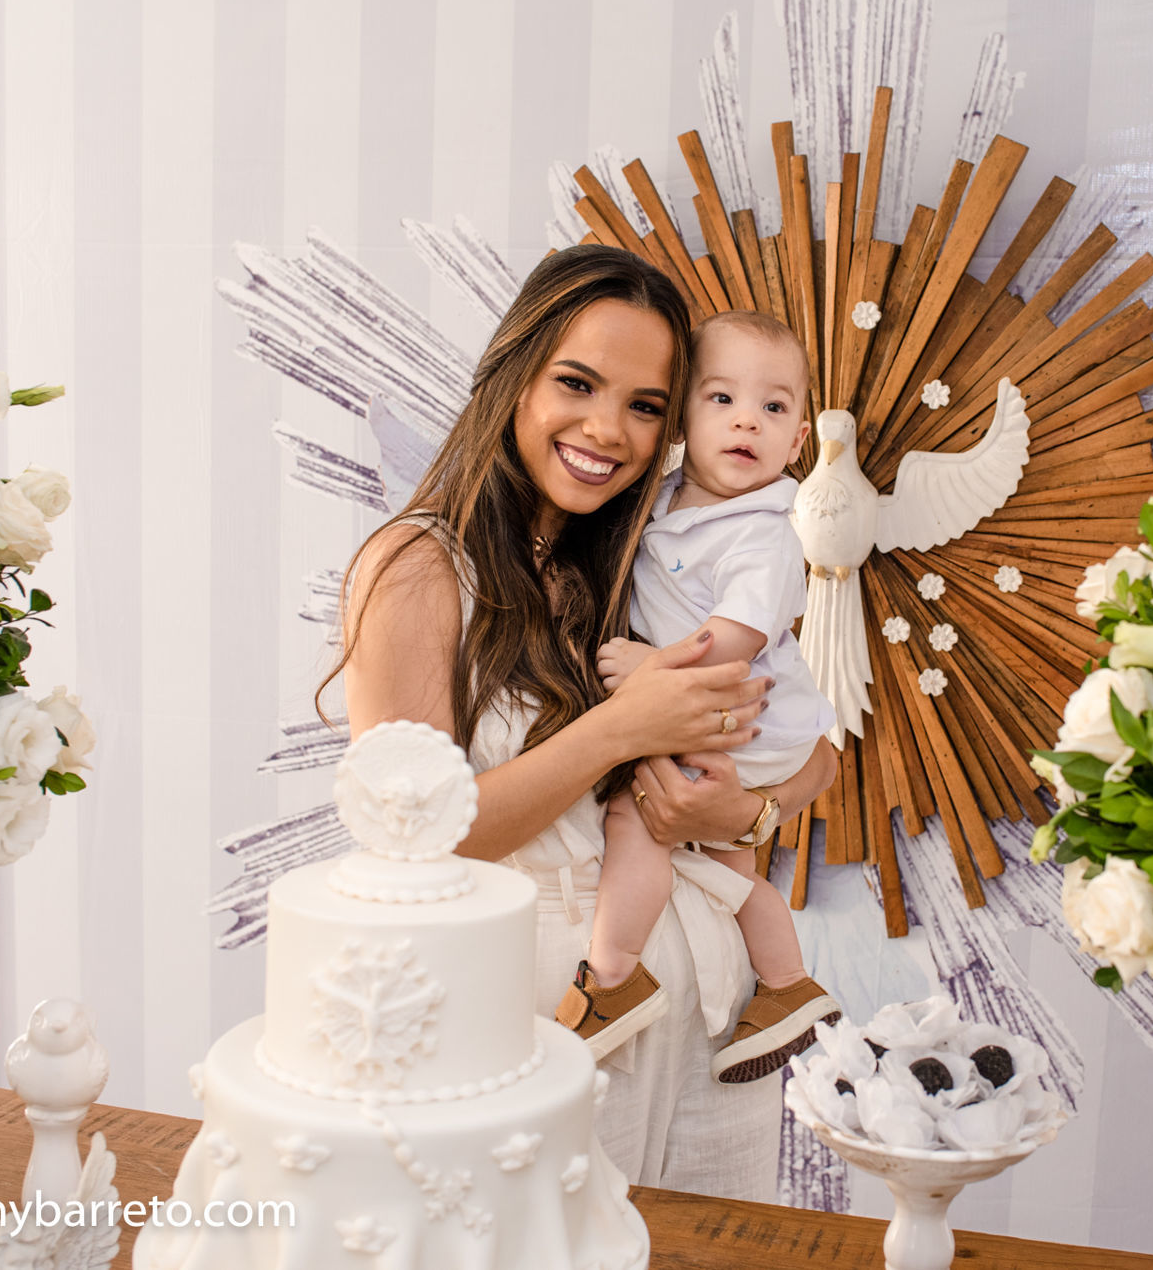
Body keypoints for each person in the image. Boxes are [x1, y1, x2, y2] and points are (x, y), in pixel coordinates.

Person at [328, 246, 837, 1199]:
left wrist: (741, 817)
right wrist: (625, 727)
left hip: (709, 1021)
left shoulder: (629, 563)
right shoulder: (418, 568)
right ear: (515, 372)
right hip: (537, 1022)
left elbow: (819, 755)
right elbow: (415, 842)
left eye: (645, 405)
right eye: (577, 382)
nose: (609, 428)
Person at [557, 311, 840, 1086]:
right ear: (683, 413)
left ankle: (613, 977)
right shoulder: (673, 499)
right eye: (721, 398)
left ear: (798, 442)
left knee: (636, 816)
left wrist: (651, 669)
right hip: (723, 711)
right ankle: (788, 988)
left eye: (774, 408)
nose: (747, 419)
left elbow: (736, 641)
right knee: (727, 864)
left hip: (747, 712)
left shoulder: (762, 535)